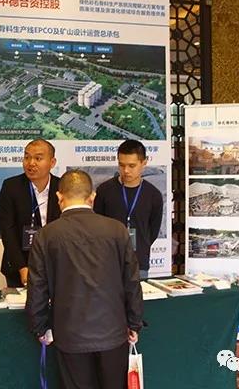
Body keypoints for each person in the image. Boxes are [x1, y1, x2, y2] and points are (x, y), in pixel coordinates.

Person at [26, 169, 143, 389]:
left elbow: (37, 288)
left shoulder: (46, 235)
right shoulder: (117, 230)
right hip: (113, 332)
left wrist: (40, 327)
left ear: (59, 197)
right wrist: (135, 323)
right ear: (93, 197)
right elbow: (131, 282)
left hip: (70, 334)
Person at [94, 139, 163, 279]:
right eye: (121, 165)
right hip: (108, 262)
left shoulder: (153, 195)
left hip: (139, 263)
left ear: (144, 162)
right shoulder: (104, 190)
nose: (126, 171)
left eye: (132, 166)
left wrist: (141, 246)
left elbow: (152, 232)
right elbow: (97, 225)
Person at [0, 138, 61, 287]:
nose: (31, 163)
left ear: (52, 162)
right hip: (20, 265)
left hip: (57, 266)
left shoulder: (62, 187)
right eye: (27, 157)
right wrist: (22, 267)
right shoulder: (11, 187)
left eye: (38, 158)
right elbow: (7, 230)